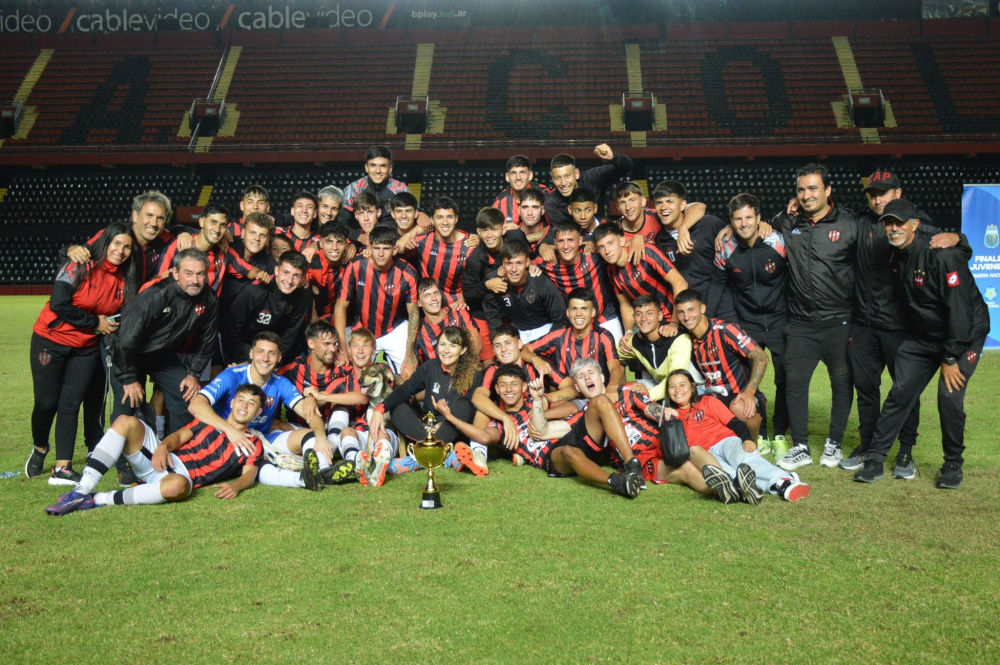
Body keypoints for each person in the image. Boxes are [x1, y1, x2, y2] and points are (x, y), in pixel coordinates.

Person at [854, 199, 989, 489]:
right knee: (900, 392)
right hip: (924, 336)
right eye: (888, 223)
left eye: (899, 223)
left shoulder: (941, 255)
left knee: (949, 398)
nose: (893, 228)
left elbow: (960, 311)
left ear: (915, 224)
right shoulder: (894, 254)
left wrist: (951, 357)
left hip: (963, 336)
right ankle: (875, 459)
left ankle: (952, 464)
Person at [840, 171, 963, 477]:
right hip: (864, 324)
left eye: (883, 192)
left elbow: (954, 250)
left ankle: (905, 452)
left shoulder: (916, 223)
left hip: (903, 327)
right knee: (866, 390)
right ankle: (868, 446)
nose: (877, 199)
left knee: (904, 391)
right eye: (872, 194)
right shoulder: (861, 223)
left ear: (898, 193)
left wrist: (960, 237)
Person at [26, 221, 141, 485]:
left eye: (127, 247)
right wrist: (95, 323)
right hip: (50, 340)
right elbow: (58, 304)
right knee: (46, 403)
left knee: (70, 404)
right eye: (116, 244)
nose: (121, 251)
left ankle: (62, 468)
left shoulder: (126, 279)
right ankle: (40, 448)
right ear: (106, 243)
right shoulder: (79, 264)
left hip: (86, 348)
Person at [44, 383, 269, 515]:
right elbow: (180, 436)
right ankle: (79, 492)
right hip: (162, 459)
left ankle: (95, 499)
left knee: (178, 487)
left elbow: (249, 474)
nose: (244, 406)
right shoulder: (211, 420)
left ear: (258, 413)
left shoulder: (253, 443)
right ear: (232, 402)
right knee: (125, 421)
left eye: (252, 404)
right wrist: (162, 446)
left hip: (183, 476)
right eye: (241, 400)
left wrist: (236, 486)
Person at [771, 164, 861, 472]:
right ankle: (801, 447)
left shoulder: (850, 223)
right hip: (800, 323)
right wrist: (730, 229)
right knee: (794, 384)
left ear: (827, 191)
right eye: (801, 189)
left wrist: (953, 236)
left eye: (813, 189)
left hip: (840, 320)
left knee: (841, 383)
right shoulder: (787, 221)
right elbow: (757, 224)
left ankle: (834, 443)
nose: (807, 195)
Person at [108, 248, 218, 436]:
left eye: (200, 274)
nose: (195, 280)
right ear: (175, 273)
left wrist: (193, 374)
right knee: (129, 402)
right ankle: (123, 462)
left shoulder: (209, 299)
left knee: (186, 397)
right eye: (188, 273)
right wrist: (128, 377)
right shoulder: (156, 294)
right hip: (125, 352)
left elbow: (207, 341)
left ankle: (177, 453)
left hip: (160, 354)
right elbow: (125, 339)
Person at [714, 193, 790, 458]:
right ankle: (764, 433)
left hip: (781, 321)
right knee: (749, 382)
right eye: (737, 219)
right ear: (731, 222)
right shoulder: (725, 248)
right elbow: (717, 284)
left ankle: (780, 433)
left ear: (759, 218)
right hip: (748, 323)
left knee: (786, 380)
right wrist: (711, 318)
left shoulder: (778, 241)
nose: (744, 223)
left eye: (749, 217)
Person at [664, 370, 810, 504]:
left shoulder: (707, 401)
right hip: (706, 453)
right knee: (729, 474)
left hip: (726, 441)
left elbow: (735, 423)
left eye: (682, 385)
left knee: (743, 461)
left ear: (693, 386)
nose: (678, 390)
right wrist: (669, 421)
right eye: (672, 386)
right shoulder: (671, 418)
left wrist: (746, 438)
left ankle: (785, 480)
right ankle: (762, 488)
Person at [368, 327, 486, 474]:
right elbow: (406, 389)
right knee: (398, 408)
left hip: (452, 430)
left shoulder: (474, 375)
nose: (446, 350)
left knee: (465, 406)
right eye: (442, 345)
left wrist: (446, 418)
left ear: (463, 350)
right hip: (425, 428)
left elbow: (468, 412)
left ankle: (416, 460)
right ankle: (446, 456)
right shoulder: (430, 367)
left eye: (453, 346)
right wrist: (381, 408)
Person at [525, 358, 644, 498]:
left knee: (601, 400)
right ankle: (618, 482)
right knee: (569, 450)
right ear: (577, 387)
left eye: (590, 373)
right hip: (571, 441)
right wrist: (538, 400)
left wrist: (647, 391)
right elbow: (543, 431)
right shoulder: (577, 406)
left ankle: (632, 467)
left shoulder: (624, 392)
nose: (587, 377)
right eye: (581, 376)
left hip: (592, 444)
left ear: (601, 377)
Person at [674, 289, 770, 443]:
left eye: (691, 310)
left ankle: (756, 441)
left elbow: (762, 357)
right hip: (713, 399)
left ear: (703, 309)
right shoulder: (687, 339)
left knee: (739, 407)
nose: (686, 317)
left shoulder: (725, 330)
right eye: (681, 312)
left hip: (740, 395)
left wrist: (750, 392)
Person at [316, 328, 399, 487]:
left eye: (366, 346)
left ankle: (379, 464)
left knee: (381, 433)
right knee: (346, 431)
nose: (360, 351)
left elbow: (366, 396)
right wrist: (310, 399)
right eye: (356, 345)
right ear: (349, 349)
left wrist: (325, 397)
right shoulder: (342, 380)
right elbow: (319, 400)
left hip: (384, 431)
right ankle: (357, 465)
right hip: (360, 436)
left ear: (374, 350)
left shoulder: (382, 370)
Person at [335, 226, 420, 376]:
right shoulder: (356, 266)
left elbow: (413, 312)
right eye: (377, 248)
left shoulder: (407, 273)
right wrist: (342, 348)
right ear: (369, 248)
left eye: (386, 249)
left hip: (394, 329)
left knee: (409, 374)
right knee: (349, 373)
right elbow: (341, 306)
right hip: (362, 329)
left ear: (394, 250)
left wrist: (410, 352)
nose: (381, 254)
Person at [651, 180, 731, 318]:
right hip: (687, 313)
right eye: (659, 203)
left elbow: (736, 241)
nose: (664, 207)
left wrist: (731, 228)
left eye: (670, 201)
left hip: (722, 306)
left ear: (683, 205)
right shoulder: (660, 240)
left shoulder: (709, 224)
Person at [592, 222, 688, 335]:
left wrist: (674, 323)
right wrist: (628, 332)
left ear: (622, 241)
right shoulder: (611, 271)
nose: (607, 251)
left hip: (673, 319)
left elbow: (680, 283)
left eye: (611, 243)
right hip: (648, 325)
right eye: (602, 247)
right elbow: (625, 305)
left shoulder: (646, 252)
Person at [535, 220, 623, 342]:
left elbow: (619, 248)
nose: (566, 246)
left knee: (619, 357)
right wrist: (532, 262)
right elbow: (521, 264)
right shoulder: (547, 261)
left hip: (605, 319)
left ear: (580, 240)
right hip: (576, 324)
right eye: (561, 241)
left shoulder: (593, 255)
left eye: (571, 240)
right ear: (554, 243)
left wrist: (639, 239)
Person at [523, 288, 622, 394]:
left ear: (592, 312)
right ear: (568, 312)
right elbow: (525, 349)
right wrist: (535, 359)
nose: (578, 313)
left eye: (584, 308)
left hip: (599, 393)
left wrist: (612, 387)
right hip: (571, 395)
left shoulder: (602, 336)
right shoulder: (558, 336)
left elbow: (615, 367)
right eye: (574, 309)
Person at [221, 251, 312, 366]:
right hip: (243, 343)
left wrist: (277, 362)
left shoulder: (303, 295)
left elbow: (290, 334)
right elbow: (230, 329)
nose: (289, 280)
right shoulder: (256, 291)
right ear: (276, 271)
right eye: (286, 272)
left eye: (296, 276)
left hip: (273, 347)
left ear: (303, 278)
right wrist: (241, 360)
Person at [65, 191, 178, 283]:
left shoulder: (166, 239)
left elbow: (190, 234)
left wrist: (184, 233)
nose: (153, 223)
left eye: (160, 218)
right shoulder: (113, 235)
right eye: (149, 215)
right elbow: (77, 254)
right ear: (135, 215)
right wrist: (71, 249)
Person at [462, 206, 528, 361]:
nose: (490, 235)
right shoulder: (475, 259)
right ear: (478, 233)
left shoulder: (516, 236)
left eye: (494, 229)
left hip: (515, 306)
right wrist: (486, 285)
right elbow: (468, 295)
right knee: (491, 358)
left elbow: (528, 257)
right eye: (485, 231)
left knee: (521, 352)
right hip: (485, 313)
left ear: (503, 229)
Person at [157, 204, 269, 297]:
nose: (217, 229)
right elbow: (156, 280)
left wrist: (261, 274)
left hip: (207, 317)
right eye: (213, 222)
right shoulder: (178, 246)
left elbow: (250, 271)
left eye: (223, 225)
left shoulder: (226, 254)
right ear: (201, 222)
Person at [482, 240, 568, 342]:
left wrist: (542, 344)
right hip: (517, 331)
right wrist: (503, 340)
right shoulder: (494, 282)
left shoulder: (541, 283)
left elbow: (561, 321)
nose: (514, 269)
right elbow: (492, 317)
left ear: (527, 262)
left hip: (544, 330)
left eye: (519, 263)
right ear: (502, 264)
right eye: (509, 263)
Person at [617, 295, 694, 402]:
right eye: (639, 314)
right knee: (627, 390)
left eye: (649, 313)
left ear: (660, 315)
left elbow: (676, 378)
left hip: (685, 388)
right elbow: (612, 355)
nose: (644, 319)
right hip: (658, 384)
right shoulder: (635, 341)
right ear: (634, 317)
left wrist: (650, 394)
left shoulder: (679, 339)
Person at [408, 196, 476, 307]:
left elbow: (476, 280)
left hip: (457, 306)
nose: (445, 222)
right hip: (428, 306)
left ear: (456, 219)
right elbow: (396, 249)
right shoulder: (421, 241)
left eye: (449, 217)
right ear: (432, 220)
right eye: (439, 217)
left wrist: (462, 300)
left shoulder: (470, 245)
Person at [544, 144, 632, 225]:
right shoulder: (551, 203)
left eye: (567, 176)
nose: (563, 183)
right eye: (558, 178)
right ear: (552, 178)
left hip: (602, 232)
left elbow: (627, 166)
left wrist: (613, 157)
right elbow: (565, 234)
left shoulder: (592, 178)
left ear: (576, 173)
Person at [342, 145, 418, 226]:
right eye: (373, 165)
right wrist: (358, 236)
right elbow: (342, 221)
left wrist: (422, 215)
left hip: (392, 236)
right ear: (366, 167)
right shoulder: (353, 189)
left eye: (383, 166)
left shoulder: (400, 189)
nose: (378, 171)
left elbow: (414, 213)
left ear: (390, 169)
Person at [413, 278, 481, 364]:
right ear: (419, 302)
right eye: (427, 295)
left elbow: (476, 345)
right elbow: (413, 363)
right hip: (438, 376)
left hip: (465, 369)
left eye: (436, 293)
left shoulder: (458, 312)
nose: (434, 298)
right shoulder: (418, 331)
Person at [220, 212, 276, 313]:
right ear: (243, 233)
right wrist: (185, 234)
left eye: (262, 235)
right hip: (214, 316)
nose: (257, 238)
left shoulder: (271, 265)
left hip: (245, 322)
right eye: (252, 232)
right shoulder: (226, 245)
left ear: (268, 240)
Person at [307, 222, 352, 323]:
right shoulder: (312, 263)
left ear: (346, 244)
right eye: (329, 242)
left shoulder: (352, 264)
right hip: (315, 324)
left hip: (345, 323)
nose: (334, 247)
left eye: (339, 242)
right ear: (321, 243)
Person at [492, 155, 549, 225]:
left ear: (530, 175)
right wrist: (504, 227)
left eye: (522, 172)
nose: (518, 177)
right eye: (513, 173)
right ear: (507, 177)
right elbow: (490, 229)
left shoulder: (544, 193)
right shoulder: (500, 201)